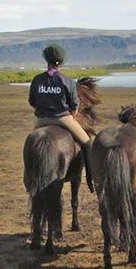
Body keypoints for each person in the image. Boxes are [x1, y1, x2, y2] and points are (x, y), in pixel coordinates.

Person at [28, 43, 94, 192]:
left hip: (41, 120)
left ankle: (29, 178)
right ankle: (91, 180)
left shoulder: (37, 80)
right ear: (61, 62)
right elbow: (74, 104)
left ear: (47, 61)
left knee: (31, 143)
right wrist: (72, 114)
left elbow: (32, 101)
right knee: (87, 143)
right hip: (63, 119)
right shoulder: (67, 81)